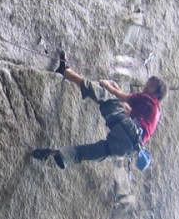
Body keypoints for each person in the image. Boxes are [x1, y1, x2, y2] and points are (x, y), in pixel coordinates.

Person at [32, 52, 166, 168]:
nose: (147, 86)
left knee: (103, 96)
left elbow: (121, 98)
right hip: (130, 148)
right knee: (96, 151)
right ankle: (61, 155)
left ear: (157, 92)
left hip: (129, 131)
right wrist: (117, 91)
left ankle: (66, 71)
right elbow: (128, 112)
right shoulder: (155, 112)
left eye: (151, 85)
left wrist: (107, 86)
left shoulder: (149, 99)